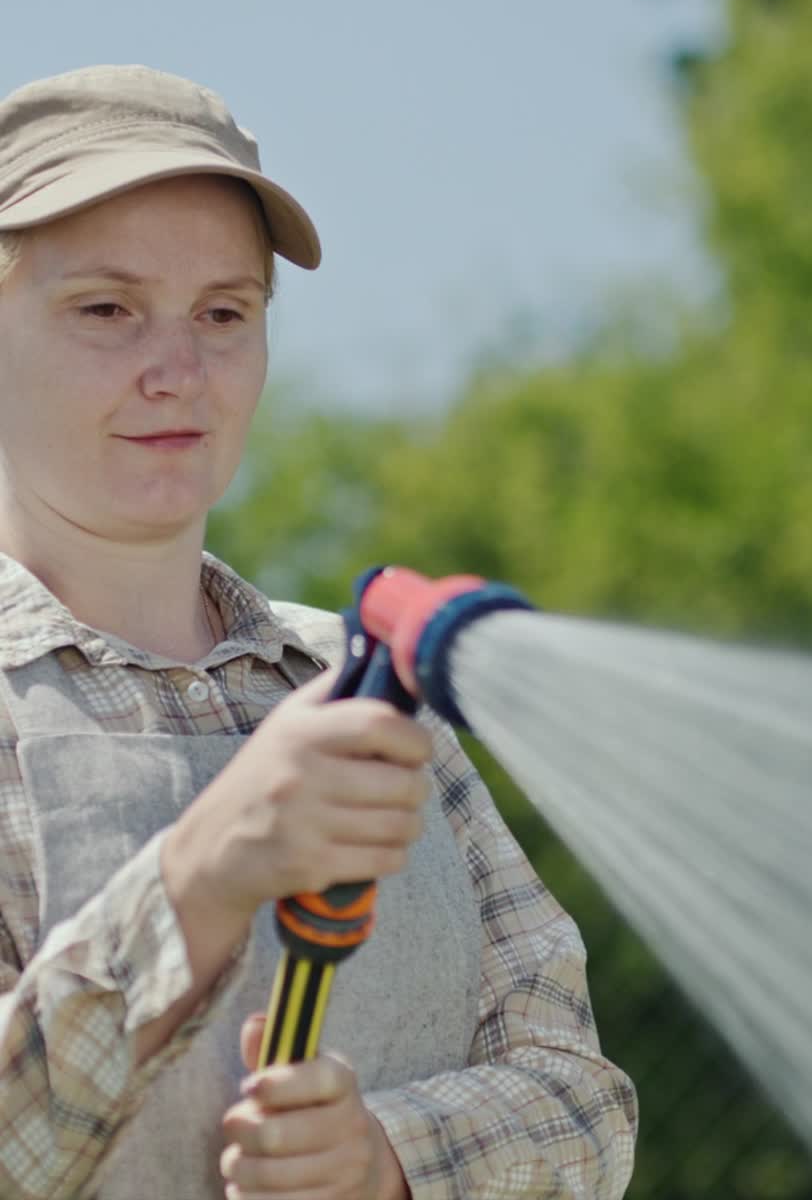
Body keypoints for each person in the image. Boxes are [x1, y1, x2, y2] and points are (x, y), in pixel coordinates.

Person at [0, 65, 637, 1200]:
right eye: (106, 308)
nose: (178, 369)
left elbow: (582, 1100)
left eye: (224, 313)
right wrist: (207, 868)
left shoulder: (362, 687)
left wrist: (388, 1155)